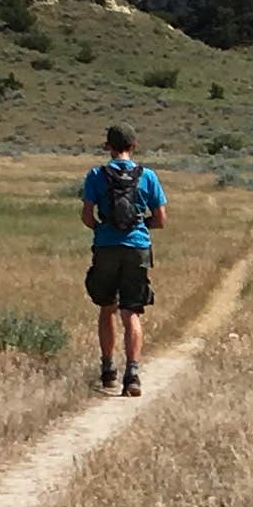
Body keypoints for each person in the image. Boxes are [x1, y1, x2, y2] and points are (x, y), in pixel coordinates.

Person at [79, 125, 166, 395]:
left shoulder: (96, 174)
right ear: (134, 145)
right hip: (137, 247)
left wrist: (102, 229)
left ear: (108, 146)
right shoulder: (147, 176)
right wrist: (139, 227)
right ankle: (133, 374)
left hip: (106, 246)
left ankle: (108, 370)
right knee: (132, 311)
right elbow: (161, 219)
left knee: (107, 307)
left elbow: (86, 215)